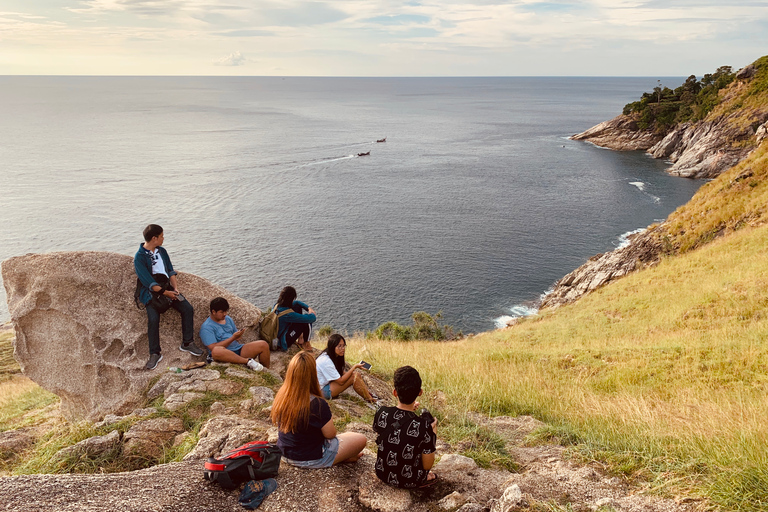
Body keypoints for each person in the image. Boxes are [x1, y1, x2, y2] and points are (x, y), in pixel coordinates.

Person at [271, 351, 367, 468]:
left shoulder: (282, 396)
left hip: (285, 455)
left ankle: (343, 457)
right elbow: (330, 434)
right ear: (313, 374)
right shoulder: (317, 403)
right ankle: (339, 458)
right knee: (361, 439)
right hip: (311, 458)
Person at [134, 224, 203, 370]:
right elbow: (148, 282)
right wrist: (166, 293)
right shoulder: (139, 257)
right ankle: (155, 353)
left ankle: (187, 343)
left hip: (167, 288)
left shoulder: (162, 251)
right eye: (162, 236)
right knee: (153, 320)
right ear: (154, 238)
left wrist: (175, 289)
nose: (163, 238)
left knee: (187, 308)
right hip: (152, 293)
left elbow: (170, 271)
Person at [372, 366, 437, 488]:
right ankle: (425, 477)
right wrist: (432, 430)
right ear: (420, 392)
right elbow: (428, 465)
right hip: (411, 481)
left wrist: (407, 413)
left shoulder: (381, 413)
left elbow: (389, 434)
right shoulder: (424, 426)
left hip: (382, 473)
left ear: (394, 392)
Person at [199, 297, 271, 371]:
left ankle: (265, 371)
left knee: (263, 344)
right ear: (213, 312)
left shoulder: (227, 319)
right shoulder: (207, 327)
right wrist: (232, 338)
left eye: (226, 311)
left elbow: (235, 336)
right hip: (224, 356)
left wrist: (238, 335)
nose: (225, 314)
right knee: (216, 351)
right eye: (222, 312)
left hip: (238, 350)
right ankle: (247, 361)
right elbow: (213, 348)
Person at [316, 334, 377, 403]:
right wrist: (354, 367)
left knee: (356, 375)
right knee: (354, 377)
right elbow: (341, 381)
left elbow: (341, 373)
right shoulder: (326, 360)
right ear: (332, 347)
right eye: (339, 346)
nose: (343, 348)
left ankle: (368, 395)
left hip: (326, 385)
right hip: (321, 391)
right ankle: (370, 400)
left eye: (344, 345)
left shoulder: (332, 355)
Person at [273, 286, 316, 351]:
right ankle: (306, 344)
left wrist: (308, 308)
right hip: (283, 342)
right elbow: (312, 318)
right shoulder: (288, 315)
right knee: (305, 323)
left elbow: (296, 303)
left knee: (296, 306)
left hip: (275, 337)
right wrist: (312, 313)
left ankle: (301, 338)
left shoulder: (276, 305)